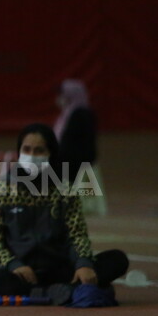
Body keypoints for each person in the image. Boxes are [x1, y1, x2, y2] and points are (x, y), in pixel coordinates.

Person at [0, 123, 127, 300]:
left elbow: (77, 234)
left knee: (117, 259)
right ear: (19, 152)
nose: (32, 156)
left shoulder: (65, 190)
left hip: (61, 268)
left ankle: (63, 288)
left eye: (39, 151)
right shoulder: (2, 189)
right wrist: (14, 265)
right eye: (27, 149)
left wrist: (83, 264)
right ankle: (65, 291)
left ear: (51, 154)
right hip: (22, 273)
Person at [53, 79, 103, 215]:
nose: (59, 99)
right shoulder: (66, 115)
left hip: (78, 159)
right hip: (68, 157)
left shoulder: (82, 114)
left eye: (62, 95)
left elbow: (75, 143)